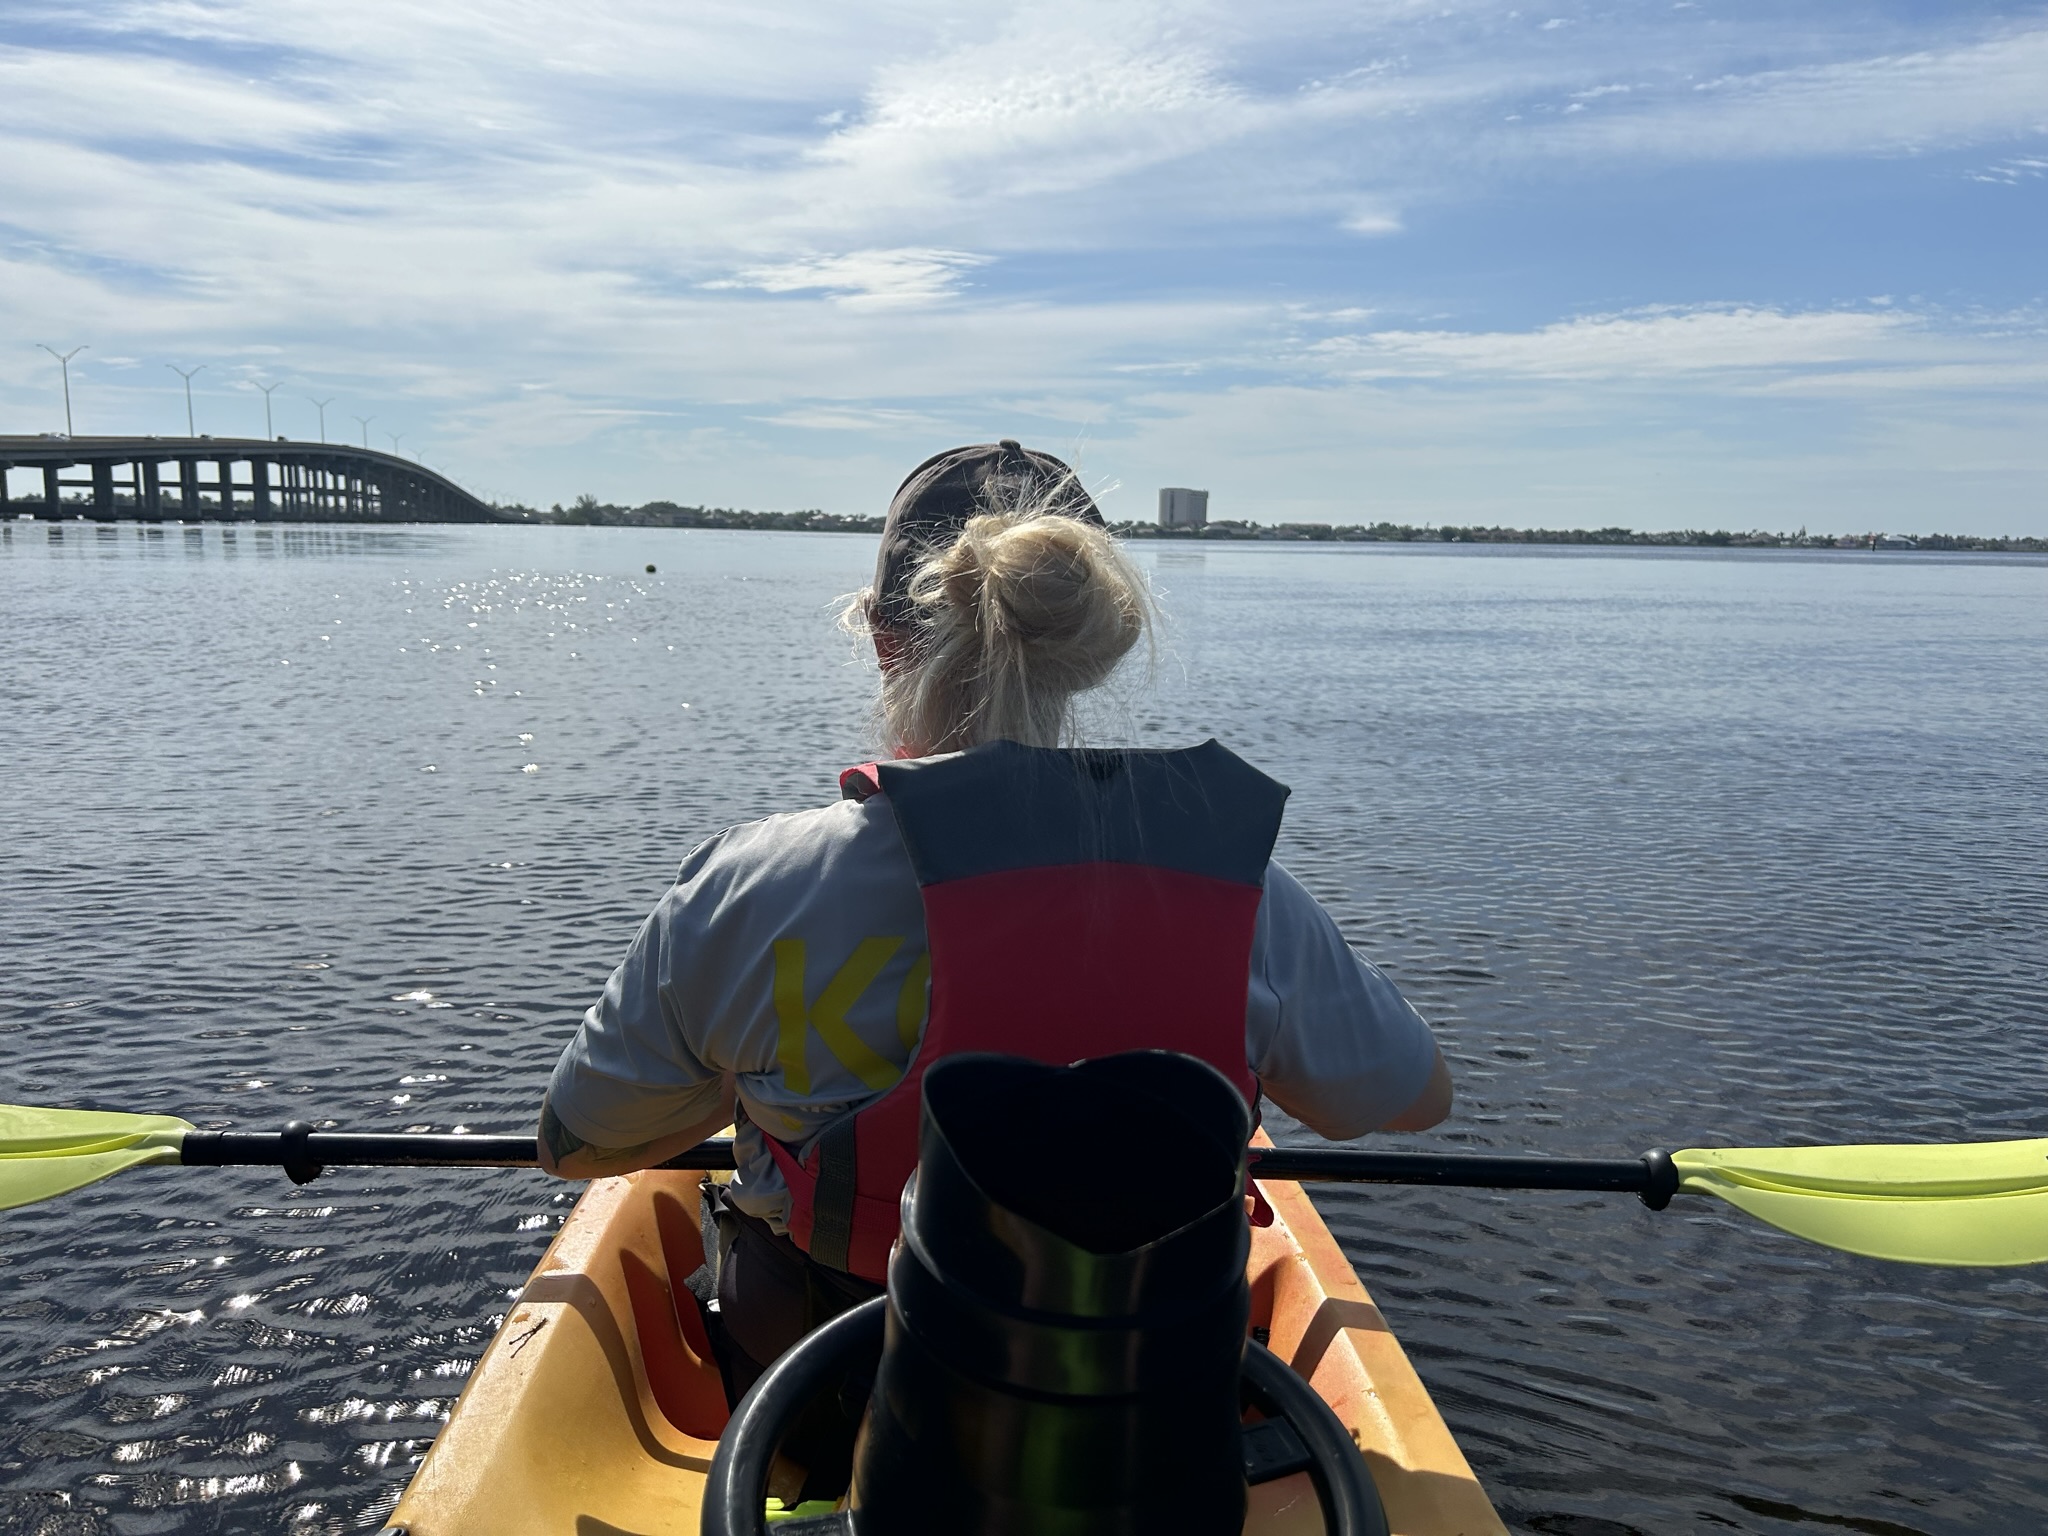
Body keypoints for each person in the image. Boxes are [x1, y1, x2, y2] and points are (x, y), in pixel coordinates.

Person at [536, 439, 1452, 1396]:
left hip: (835, 1387)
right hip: (1140, 1408)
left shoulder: (752, 887)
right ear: (1093, 654)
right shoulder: (1242, 897)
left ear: (884, 636)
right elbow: (1413, 1098)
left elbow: (577, 1144)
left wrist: (746, 1092)